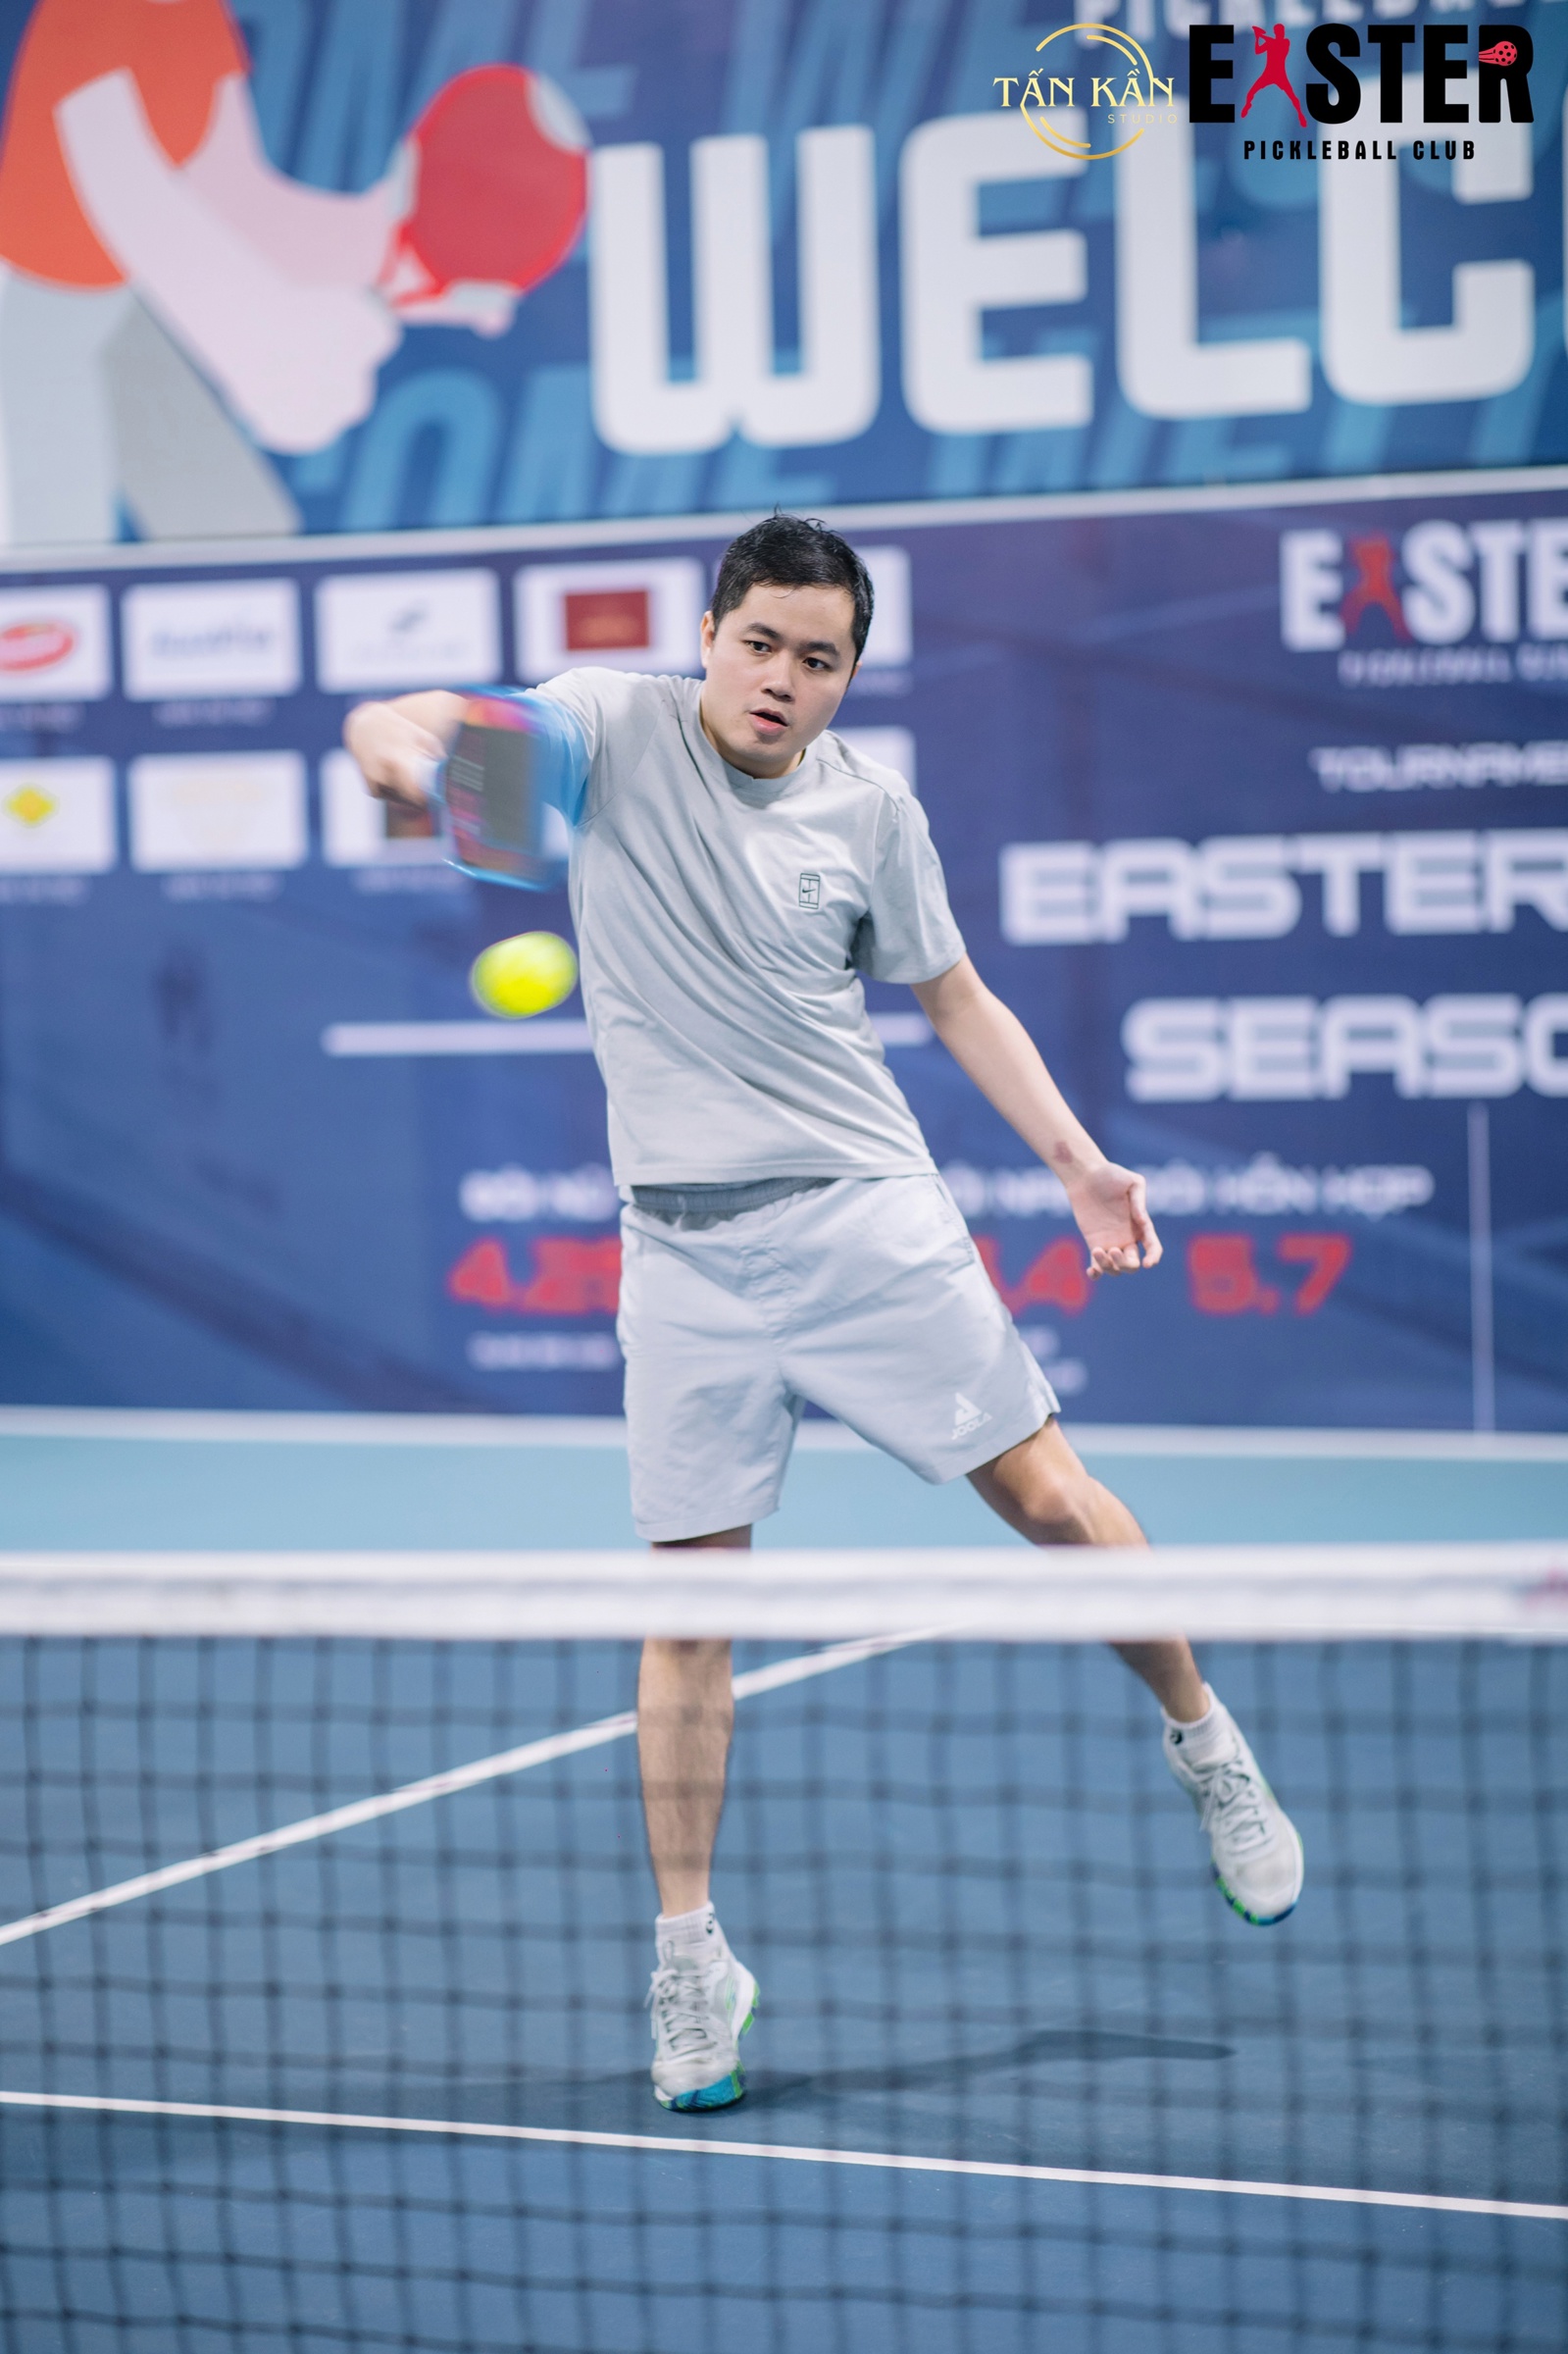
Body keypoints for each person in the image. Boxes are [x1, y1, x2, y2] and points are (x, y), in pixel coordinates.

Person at [343, 514, 1305, 2115]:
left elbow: (955, 997)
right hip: (682, 1258)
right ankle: (690, 1957)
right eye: (761, 644)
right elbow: (433, 727)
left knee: (1053, 1502)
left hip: (865, 1220)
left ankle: (1205, 1739)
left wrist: (1078, 1165)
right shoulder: (607, 726)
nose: (783, 679)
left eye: (820, 658)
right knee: (688, 1617)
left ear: (849, 673)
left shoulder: (870, 812)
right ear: (708, 636)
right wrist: (393, 745)